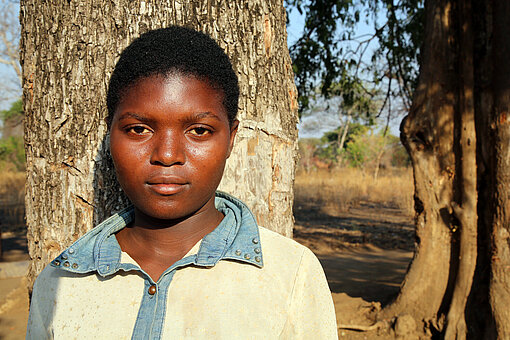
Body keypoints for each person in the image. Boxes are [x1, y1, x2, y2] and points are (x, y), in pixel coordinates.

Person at [26, 26, 338, 339]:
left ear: (231, 138)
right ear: (110, 133)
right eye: (138, 129)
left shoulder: (290, 274)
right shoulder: (60, 282)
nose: (167, 155)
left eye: (199, 131)